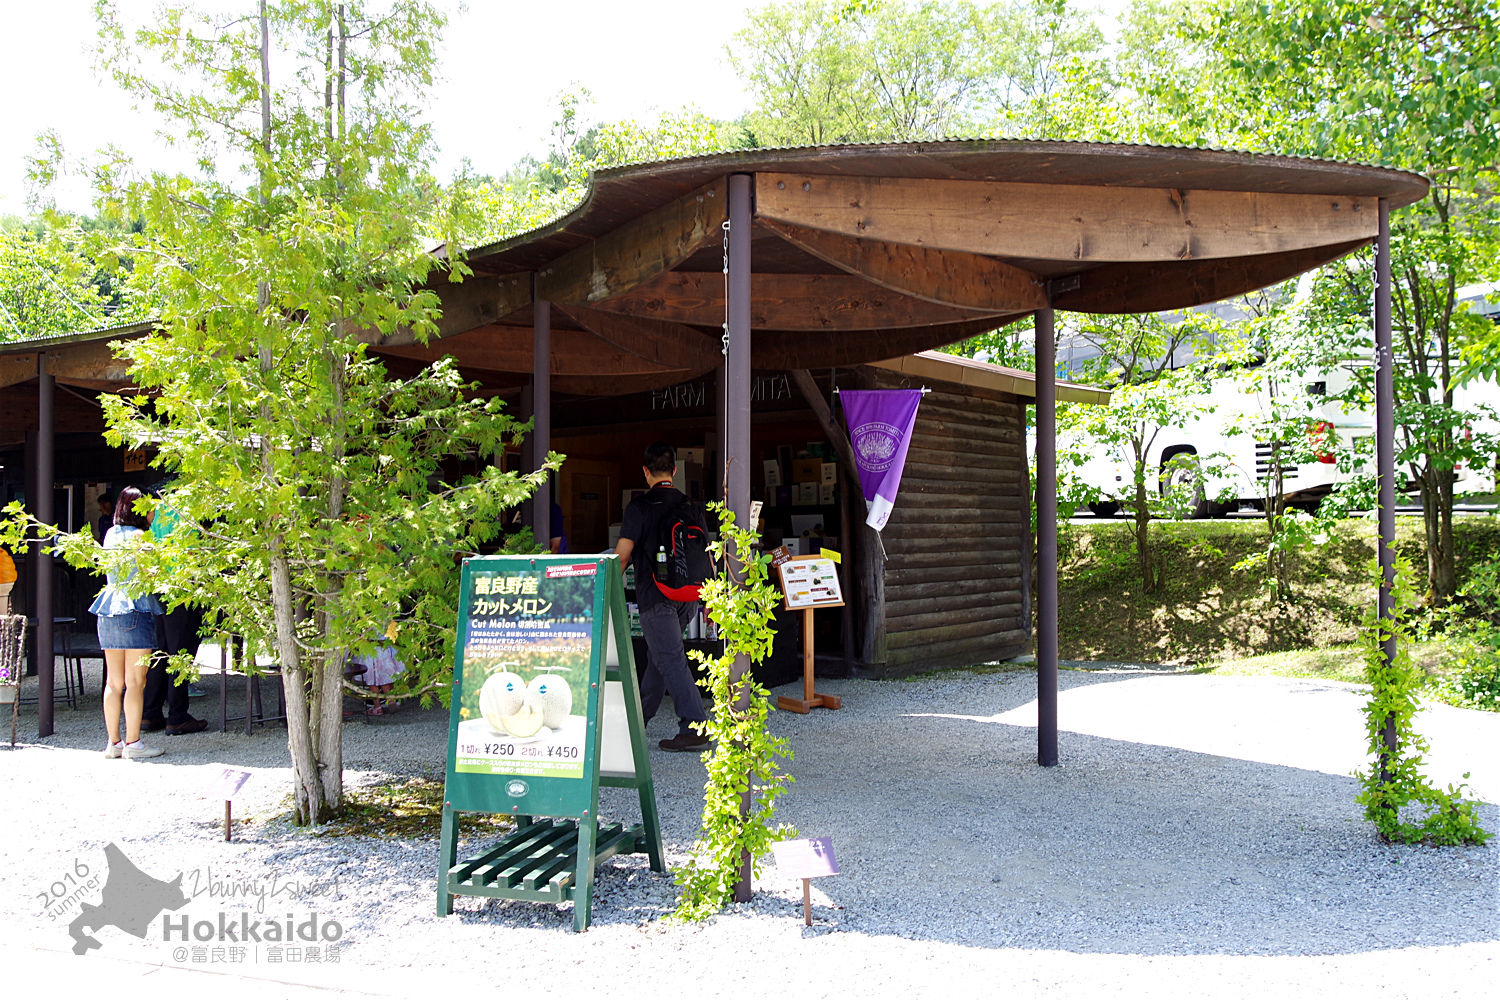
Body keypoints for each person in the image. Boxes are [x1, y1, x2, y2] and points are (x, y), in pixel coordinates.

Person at [613, 442, 710, 752]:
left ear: (645, 472)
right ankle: (635, 723)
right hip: (688, 598)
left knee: (670, 659)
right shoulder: (691, 505)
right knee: (660, 658)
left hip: (655, 598)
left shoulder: (639, 507)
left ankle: (695, 726)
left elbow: (623, 558)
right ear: (675, 471)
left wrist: (604, 586)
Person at [89, 487, 166, 760]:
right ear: (138, 508)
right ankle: (134, 743)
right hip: (135, 606)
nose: (152, 512)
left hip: (108, 607)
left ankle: (114, 743)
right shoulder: (140, 537)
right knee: (136, 681)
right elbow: (152, 573)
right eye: (149, 506)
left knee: (113, 682)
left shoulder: (111, 534)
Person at [141, 496, 207, 735]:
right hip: (182, 590)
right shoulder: (187, 516)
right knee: (181, 652)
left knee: (161, 652)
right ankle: (177, 715)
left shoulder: (157, 517)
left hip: (159, 589)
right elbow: (193, 556)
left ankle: (150, 713)